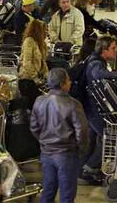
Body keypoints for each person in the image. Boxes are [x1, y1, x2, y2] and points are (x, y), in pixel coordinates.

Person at [31, 68, 89, 203]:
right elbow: (82, 132)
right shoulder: (73, 104)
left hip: (46, 153)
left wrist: (44, 141)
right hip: (67, 154)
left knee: (48, 191)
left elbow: (34, 127)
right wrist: (81, 150)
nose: (70, 83)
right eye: (68, 80)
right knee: (67, 195)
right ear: (63, 84)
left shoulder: (39, 101)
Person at [81, 36, 117, 183]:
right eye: (113, 48)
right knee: (108, 138)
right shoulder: (96, 63)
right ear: (104, 50)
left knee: (96, 140)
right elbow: (97, 74)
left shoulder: (93, 60)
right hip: (94, 110)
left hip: (90, 109)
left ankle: (87, 170)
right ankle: (88, 169)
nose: (116, 51)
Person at [18, 19, 48, 109]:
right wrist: (35, 78)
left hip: (36, 80)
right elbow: (27, 63)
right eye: (44, 30)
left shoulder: (40, 43)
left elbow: (43, 62)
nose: (46, 32)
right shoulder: (29, 41)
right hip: (27, 81)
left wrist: (47, 75)